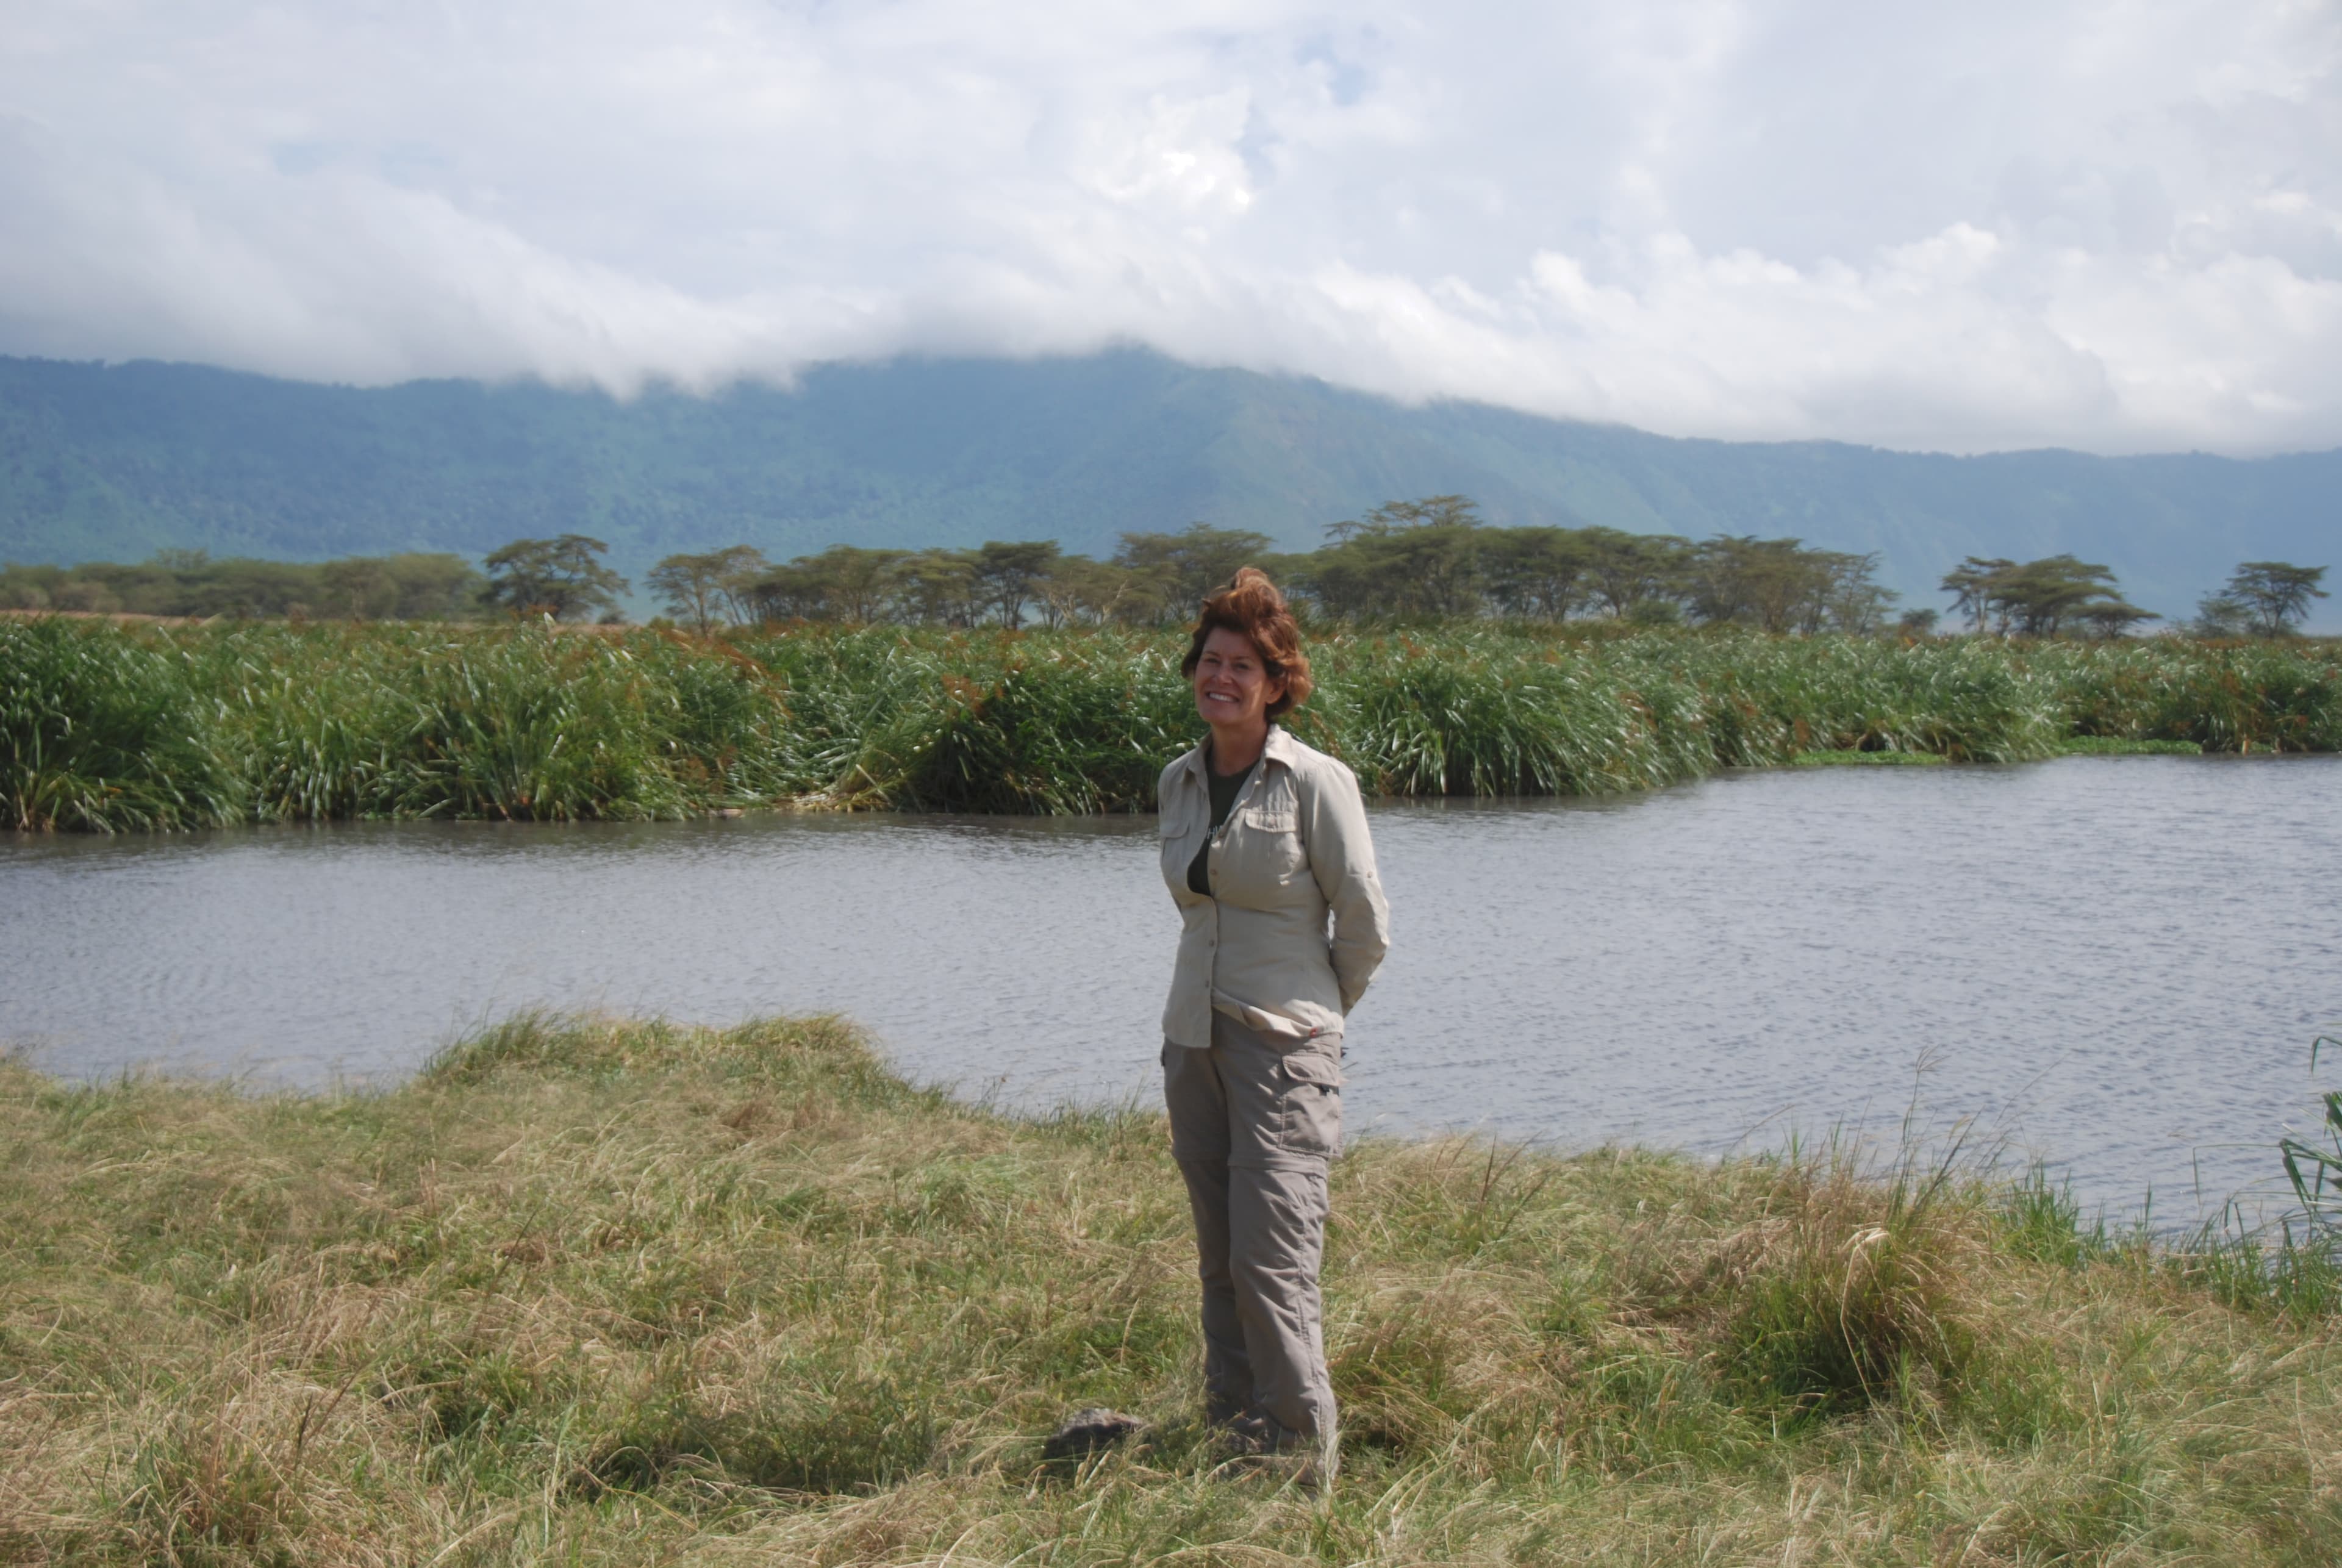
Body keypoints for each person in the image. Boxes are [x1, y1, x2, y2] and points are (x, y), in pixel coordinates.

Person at [1156, 567, 1389, 1481]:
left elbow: (1364, 925)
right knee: (1220, 1259)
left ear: (1277, 680)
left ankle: (1298, 1466)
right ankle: (1234, 1437)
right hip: (1194, 1044)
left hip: (1286, 1049)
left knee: (1275, 1260)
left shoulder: (1315, 783)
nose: (1222, 678)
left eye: (1242, 665)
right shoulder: (1176, 781)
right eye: (1210, 661)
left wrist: (1315, 1021)